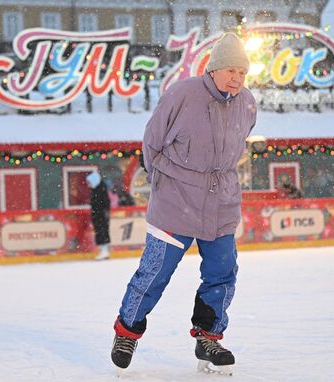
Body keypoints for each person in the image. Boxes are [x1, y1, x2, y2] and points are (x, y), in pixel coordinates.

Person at [110, 32, 257, 375]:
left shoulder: (247, 102)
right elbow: (152, 144)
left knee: (222, 274)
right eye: (231, 70)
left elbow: (239, 147)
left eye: (243, 72)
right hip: (175, 204)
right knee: (154, 274)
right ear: (214, 69)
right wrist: (166, 183)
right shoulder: (182, 94)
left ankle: (209, 336)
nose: (237, 78)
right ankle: (127, 332)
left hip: (221, 205)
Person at [86, 170, 111, 260]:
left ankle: (104, 250)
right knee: (100, 231)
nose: (88, 184)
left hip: (101, 215)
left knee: (102, 231)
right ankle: (103, 250)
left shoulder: (100, 189)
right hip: (98, 215)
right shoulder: (97, 189)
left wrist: (103, 212)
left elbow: (104, 203)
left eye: (89, 182)